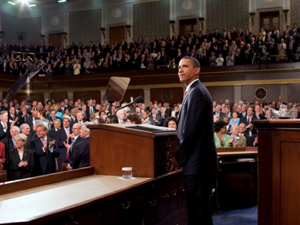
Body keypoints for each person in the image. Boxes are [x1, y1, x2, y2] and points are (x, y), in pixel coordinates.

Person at [171, 56, 218, 225]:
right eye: (179, 67)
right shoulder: (194, 91)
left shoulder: (196, 92)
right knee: (200, 211)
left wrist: (179, 158)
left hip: (196, 162)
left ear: (197, 70)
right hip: (197, 162)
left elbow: (190, 131)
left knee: (198, 212)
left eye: (185, 66)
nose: (180, 70)